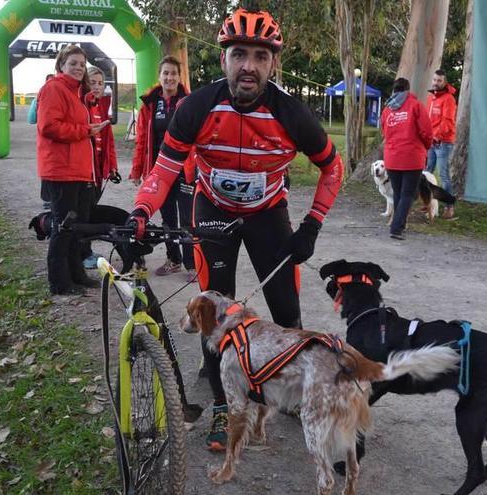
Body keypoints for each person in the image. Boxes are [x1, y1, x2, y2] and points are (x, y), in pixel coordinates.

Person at [128, 8, 343, 451]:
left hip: (268, 213)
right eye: (239, 54)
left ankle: (291, 387)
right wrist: (142, 210)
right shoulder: (198, 107)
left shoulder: (292, 113)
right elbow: (165, 168)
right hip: (213, 209)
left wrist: (312, 225)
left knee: (285, 310)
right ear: (223, 58)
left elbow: (332, 169)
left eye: (261, 56)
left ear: (272, 64)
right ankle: (225, 408)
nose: (249, 65)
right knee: (213, 314)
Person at [36, 44, 109, 295]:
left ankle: (77, 275)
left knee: (76, 229)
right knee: (63, 227)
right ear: (61, 66)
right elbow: (48, 126)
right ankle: (59, 282)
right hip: (61, 171)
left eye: (81, 64)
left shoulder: (79, 94)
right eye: (73, 63)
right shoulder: (53, 89)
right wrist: (85, 131)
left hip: (78, 172)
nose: (78, 68)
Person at [130, 56, 194, 279]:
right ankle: (173, 259)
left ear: (179, 77)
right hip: (160, 172)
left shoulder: (189, 101)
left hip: (185, 171)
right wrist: (137, 170)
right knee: (167, 218)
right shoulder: (149, 103)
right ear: (159, 76)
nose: (169, 77)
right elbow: (141, 141)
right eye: (165, 73)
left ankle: (192, 265)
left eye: (174, 73)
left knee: (188, 218)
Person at [380, 77, 433, 240]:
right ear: (407, 90)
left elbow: (384, 131)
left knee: (398, 193)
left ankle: (399, 224)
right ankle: (397, 228)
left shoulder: (387, 109)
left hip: (392, 157)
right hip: (412, 157)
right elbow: (426, 131)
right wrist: (426, 146)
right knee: (407, 194)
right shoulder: (416, 106)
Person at [80, 66, 120, 269]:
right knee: (84, 213)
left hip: (97, 171)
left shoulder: (103, 105)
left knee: (91, 210)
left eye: (100, 83)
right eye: (92, 82)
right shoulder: (81, 103)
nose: (96, 87)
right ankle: (83, 252)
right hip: (83, 170)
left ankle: (84, 250)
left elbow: (108, 140)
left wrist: (112, 166)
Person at [425, 69, 457, 219]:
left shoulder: (449, 99)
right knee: (427, 172)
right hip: (430, 142)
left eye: (439, 81)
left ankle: (449, 206)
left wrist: (437, 136)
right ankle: (428, 204)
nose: (436, 83)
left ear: (445, 82)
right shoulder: (430, 98)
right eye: (435, 80)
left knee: (444, 175)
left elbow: (448, 122)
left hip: (443, 142)